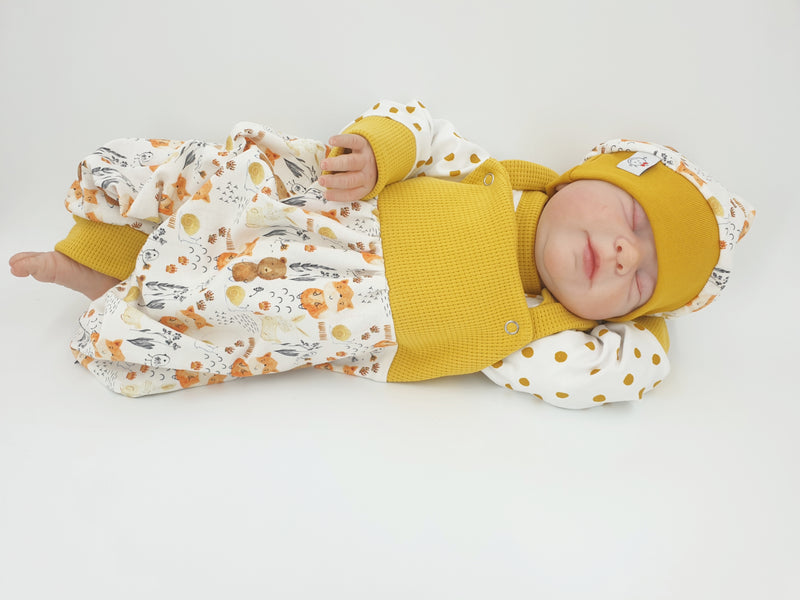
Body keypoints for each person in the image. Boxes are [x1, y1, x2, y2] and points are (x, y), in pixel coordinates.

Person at [9, 100, 754, 407]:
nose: (624, 254)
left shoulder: (528, 335)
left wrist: (656, 316)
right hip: (324, 208)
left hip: (327, 311)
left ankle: (89, 281)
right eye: (634, 218)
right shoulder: (488, 177)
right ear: (582, 174)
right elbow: (418, 123)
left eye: (641, 279)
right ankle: (101, 236)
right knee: (211, 190)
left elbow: (617, 373)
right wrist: (379, 151)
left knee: (222, 312)